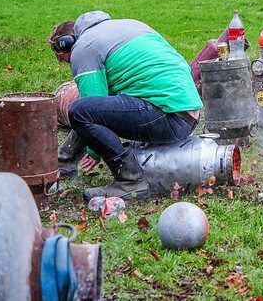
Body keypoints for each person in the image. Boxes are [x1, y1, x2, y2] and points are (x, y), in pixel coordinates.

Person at [48, 11, 203, 200]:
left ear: (67, 43)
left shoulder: (84, 47)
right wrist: (66, 158)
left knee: (80, 110)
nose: (70, 64)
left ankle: (129, 181)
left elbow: (89, 104)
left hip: (167, 117)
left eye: (65, 59)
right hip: (188, 114)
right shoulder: (128, 26)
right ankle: (66, 161)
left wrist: (94, 151)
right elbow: (99, 107)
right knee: (88, 110)